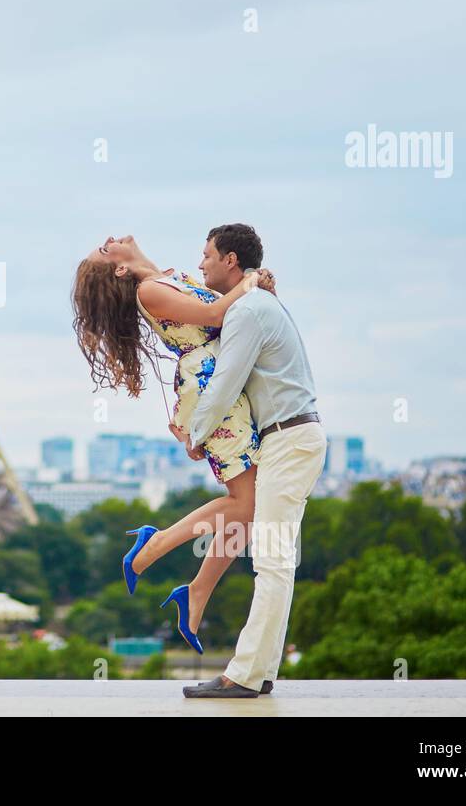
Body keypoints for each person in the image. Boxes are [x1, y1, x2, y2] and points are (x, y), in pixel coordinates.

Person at [71, 234, 275, 655]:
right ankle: (157, 544)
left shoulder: (167, 278)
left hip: (219, 382)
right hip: (212, 386)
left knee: (246, 508)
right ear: (121, 269)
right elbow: (217, 313)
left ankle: (196, 594)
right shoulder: (149, 290)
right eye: (105, 250)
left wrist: (253, 286)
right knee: (246, 504)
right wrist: (252, 281)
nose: (109, 240)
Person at [180, 223, 325, 698]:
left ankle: (243, 675)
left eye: (206, 256)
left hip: (287, 439)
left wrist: (196, 434)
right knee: (275, 563)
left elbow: (225, 381)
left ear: (230, 261)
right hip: (292, 436)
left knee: (272, 563)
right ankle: (258, 673)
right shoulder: (260, 304)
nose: (200, 264)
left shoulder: (246, 311)